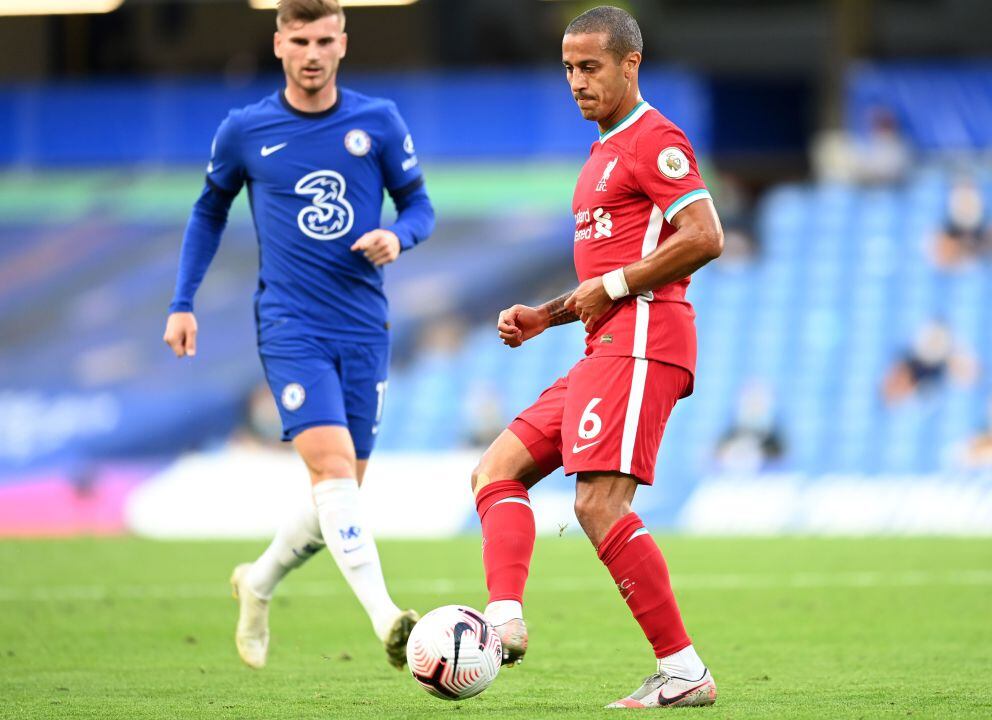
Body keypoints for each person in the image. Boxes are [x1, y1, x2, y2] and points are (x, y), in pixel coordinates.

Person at [162, 0, 433, 671]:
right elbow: (208, 211)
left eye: (323, 39)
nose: (311, 53)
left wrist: (396, 236)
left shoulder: (378, 121)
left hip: (365, 327)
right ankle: (386, 619)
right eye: (299, 39)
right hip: (290, 324)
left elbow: (421, 206)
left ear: (342, 43)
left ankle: (256, 583)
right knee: (333, 471)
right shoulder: (246, 130)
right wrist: (182, 301)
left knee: (338, 494)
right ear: (278, 44)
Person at [471, 6, 721, 709]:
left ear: (629, 65)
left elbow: (704, 236)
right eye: (569, 70)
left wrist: (609, 288)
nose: (577, 82)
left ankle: (683, 670)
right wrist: (542, 317)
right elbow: (600, 285)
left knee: (599, 503)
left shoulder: (654, 139)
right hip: (604, 343)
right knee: (496, 471)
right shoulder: (602, 151)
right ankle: (502, 622)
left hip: (646, 339)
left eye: (591, 68)